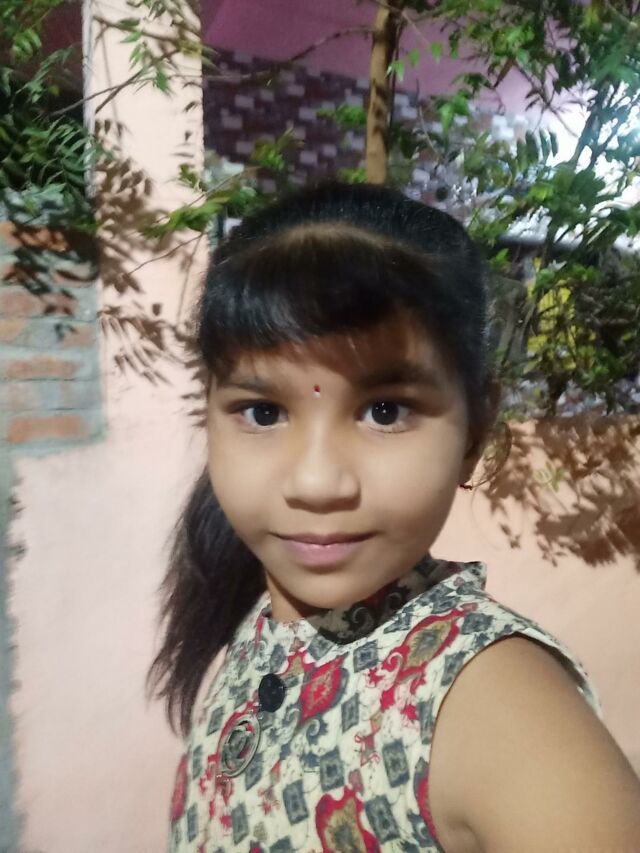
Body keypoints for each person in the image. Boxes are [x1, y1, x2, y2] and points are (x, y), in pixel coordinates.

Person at [149, 180, 640, 852]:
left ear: (474, 431)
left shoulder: (495, 709)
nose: (316, 483)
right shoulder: (260, 619)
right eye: (262, 412)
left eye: (385, 411)